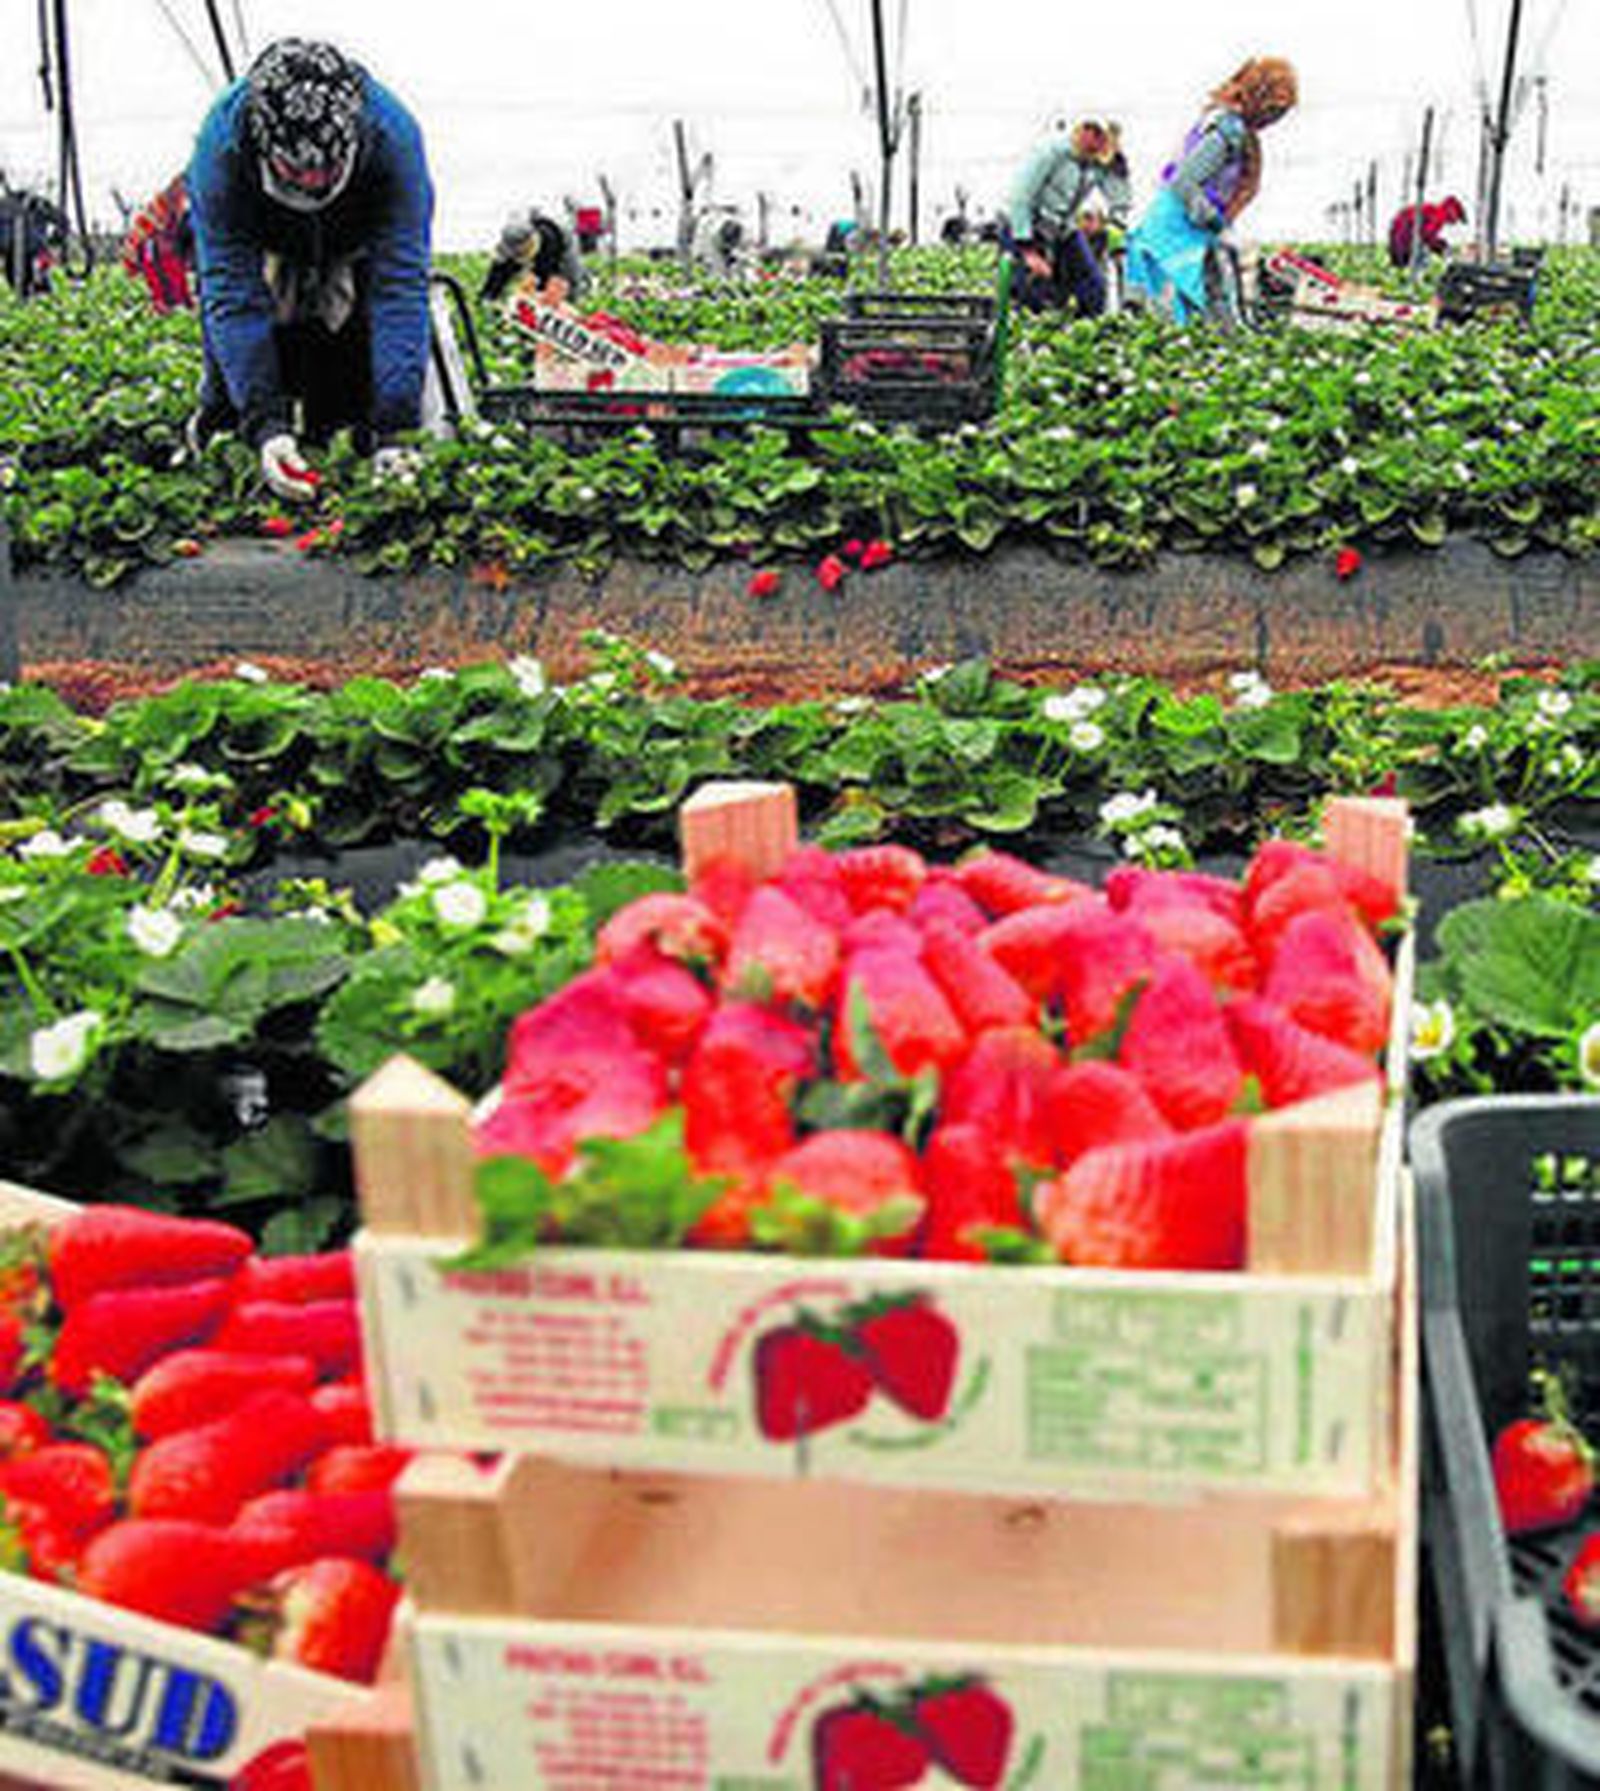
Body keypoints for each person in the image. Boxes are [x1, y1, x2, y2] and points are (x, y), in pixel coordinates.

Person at [185, 37, 435, 502]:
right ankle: (228, 442)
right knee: (239, 378)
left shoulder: (393, 139)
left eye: (325, 170)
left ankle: (344, 443)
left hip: (351, 240)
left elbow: (399, 287)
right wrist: (265, 424)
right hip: (267, 239)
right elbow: (230, 293)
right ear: (264, 149)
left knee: (347, 374)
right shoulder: (221, 150)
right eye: (296, 172)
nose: (312, 182)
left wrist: (397, 428)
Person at [1124, 56, 1298, 327]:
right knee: (1182, 316)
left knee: (1210, 306)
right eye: (1273, 111)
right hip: (1174, 230)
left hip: (1190, 228)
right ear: (1259, 98)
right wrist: (1213, 221)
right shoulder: (1225, 131)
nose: (1272, 121)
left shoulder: (1232, 126)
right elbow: (1184, 181)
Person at [1005, 117, 1131, 316]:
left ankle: (1085, 337)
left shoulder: (1095, 161)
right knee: (1033, 294)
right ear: (1085, 132)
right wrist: (1028, 250)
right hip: (1028, 226)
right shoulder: (1050, 152)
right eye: (1100, 138)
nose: (1103, 146)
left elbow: (1118, 193)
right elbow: (1020, 198)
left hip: (1063, 228)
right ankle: (1030, 339)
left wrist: (1118, 224)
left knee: (1093, 287)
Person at [120, 174, 196, 314]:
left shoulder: (178, 214)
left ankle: (175, 305)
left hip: (164, 252)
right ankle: (166, 305)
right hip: (153, 254)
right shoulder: (157, 216)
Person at [481, 207, 586, 303]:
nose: (514, 256)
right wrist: (488, 297)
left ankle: (587, 281)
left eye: (519, 253)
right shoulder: (510, 245)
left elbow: (550, 280)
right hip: (533, 243)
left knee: (570, 292)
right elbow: (497, 273)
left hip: (563, 245)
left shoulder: (551, 243)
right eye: (513, 254)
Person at [0, 182, 68, 299]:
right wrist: (56, 239)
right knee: (27, 290)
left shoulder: (37, 204)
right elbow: (62, 221)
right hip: (18, 255)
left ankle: (35, 302)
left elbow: (62, 221)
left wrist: (56, 239)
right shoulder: (37, 204)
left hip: (31, 254)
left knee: (32, 289)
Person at [1388, 195, 1466, 270]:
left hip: (1399, 240)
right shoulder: (1438, 215)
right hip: (1403, 242)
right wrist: (1442, 247)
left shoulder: (1432, 211)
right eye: (1457, 217)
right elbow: (1427, 236)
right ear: (1451, 211)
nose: (1455, 222)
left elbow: (1425, 235)